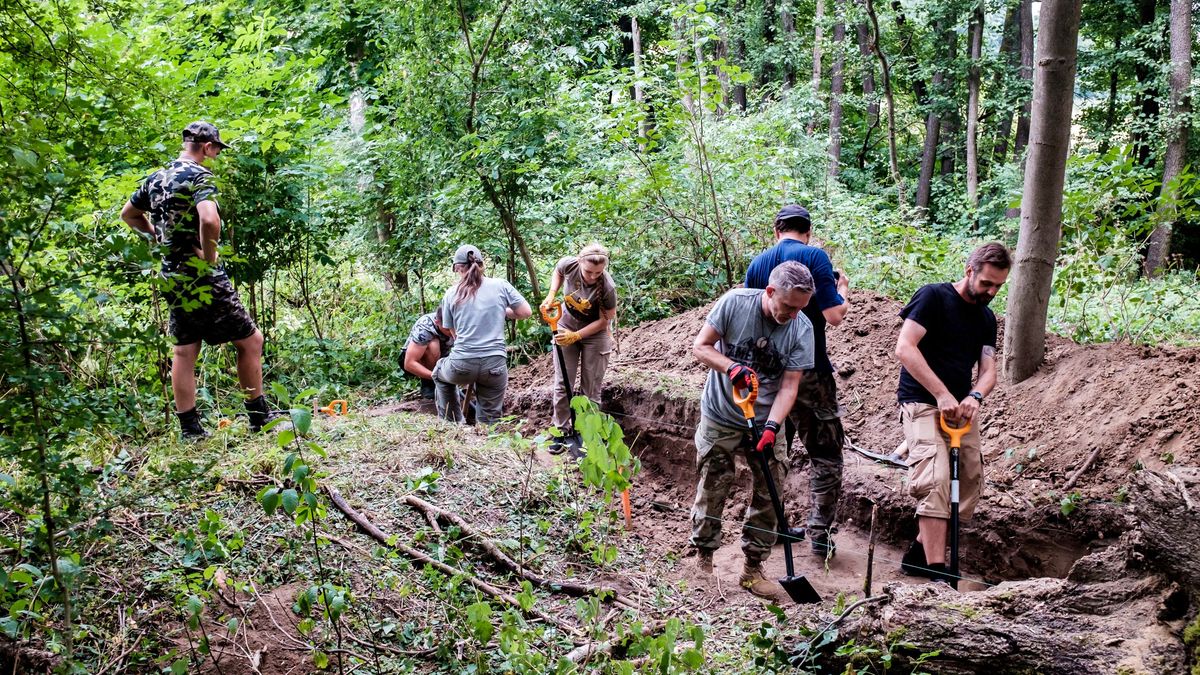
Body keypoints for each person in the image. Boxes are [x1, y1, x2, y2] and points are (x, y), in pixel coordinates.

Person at [121, 121, 278, 439]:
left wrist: (156, 240)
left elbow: (129, 214)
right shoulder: (199, 175)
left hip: (171, 275)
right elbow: (209, 218)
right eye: (217, 149)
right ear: (206, 146)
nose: (217, 155)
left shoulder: (156, 179)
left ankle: (191, 431)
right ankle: (260, 418)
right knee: (251, 341)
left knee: (184, 351)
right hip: (201, 273)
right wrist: (209, 256)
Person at [690, 261, 815, 600]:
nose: (792, 315)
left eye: (800, 308)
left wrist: (774, 426)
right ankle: (703, 558)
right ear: (770, 292)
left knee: (771, 490)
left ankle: (752, 568)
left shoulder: (801, 328)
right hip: (721, 413)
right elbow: (700, 346)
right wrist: (731, 367)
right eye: (788, 306)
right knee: (714, 481)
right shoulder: (735, 304)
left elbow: (790, 386)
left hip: (766, 417)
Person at [894, 242, 1011, 584]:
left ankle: (918, 551)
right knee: (936, 479)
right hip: (921, 401)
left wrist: (975, 395)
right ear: (969, 271)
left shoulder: (987, 318)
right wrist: (941, 393)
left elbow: (989, 370)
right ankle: (937, 574)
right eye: (986, 283)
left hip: (960, 410)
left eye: (998, 287)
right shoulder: (933, 297)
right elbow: (905, 348)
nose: (991, 291)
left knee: (971, 480)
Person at [744, 204, 851, 557]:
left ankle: (773, 525)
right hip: (809, 371)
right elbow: (834, 316)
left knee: (775, 448)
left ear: (777, 230)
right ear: (808, 230)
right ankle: (819, 533)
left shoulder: (758, 263)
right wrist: (843, 291)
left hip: (766, 371)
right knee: (826, 452)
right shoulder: (816, 257)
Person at [433, 245, 532, 424]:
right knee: (490, 420)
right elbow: (525, 312)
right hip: (495, 365)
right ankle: (489, 440)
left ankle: (453, 425)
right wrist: (503, 311)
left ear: (457, 267)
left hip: (461, 364)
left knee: (439, 373)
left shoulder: (451, 293)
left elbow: (452, 332)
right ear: (482, 264)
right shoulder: (500, 285)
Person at [539, 243, 618, 453]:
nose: (592, 277)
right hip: (565, 324)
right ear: (579, 262)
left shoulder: (608, 288)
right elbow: (558, 270)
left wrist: (577, 336)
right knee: (562, 383)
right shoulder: (569, 265)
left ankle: (587, 433)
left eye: (598, 273)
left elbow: (604, 321)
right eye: (588, 272)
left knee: (590, 387)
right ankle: (561, 431)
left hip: (596, 334)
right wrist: (551, 294)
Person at [402, 307, 455, 399]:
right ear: (437, 322)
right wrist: (437, 377)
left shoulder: (461, 321)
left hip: (443, 357)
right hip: (413, 359)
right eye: (447, 329)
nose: (452, 332)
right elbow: (409, 363)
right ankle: (429, 385)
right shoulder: (425, 326)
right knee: (433, 344)